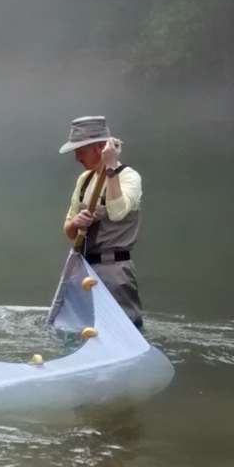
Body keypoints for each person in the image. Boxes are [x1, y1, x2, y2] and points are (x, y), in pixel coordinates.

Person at [61, 115, 144, 328]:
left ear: (99, 147)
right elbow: (69, 230)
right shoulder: (85, 179)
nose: (77, 158)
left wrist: (110, 167)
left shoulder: (129, 177)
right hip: (83, 269)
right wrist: (76, 222)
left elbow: (117, 212)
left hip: (114, 270)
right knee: (84, 329)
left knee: (123, 328)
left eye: (80, 151)